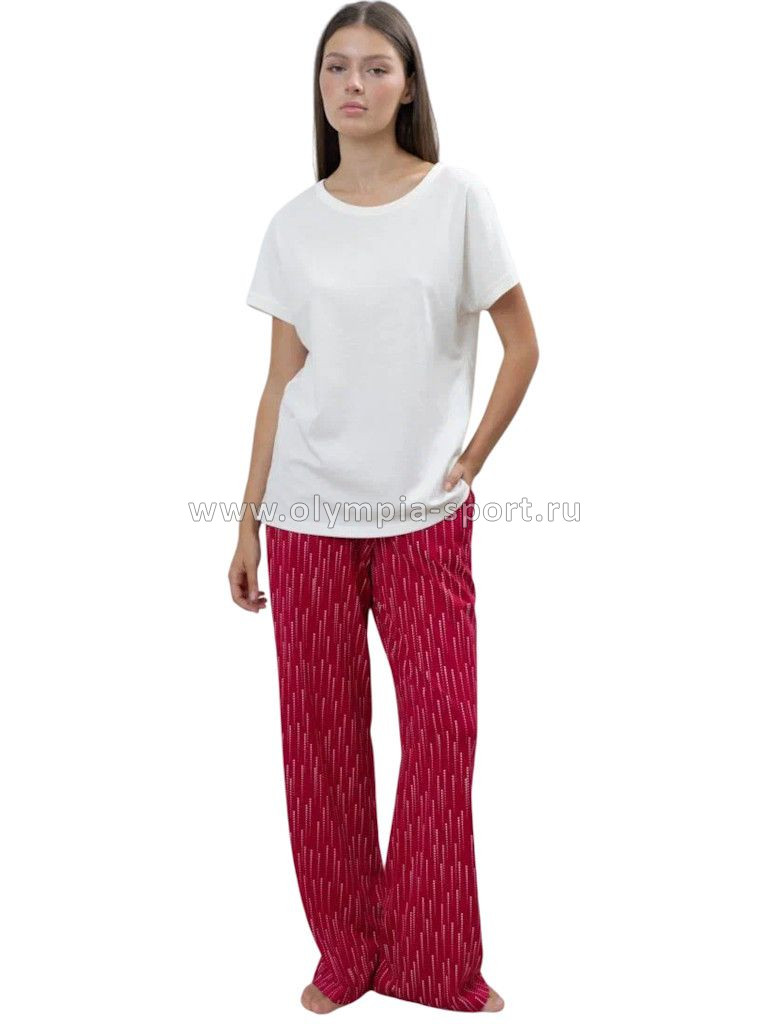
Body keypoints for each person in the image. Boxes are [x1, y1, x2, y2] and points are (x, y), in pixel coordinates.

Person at [229, 1, 539, 1014]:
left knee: (443, 731)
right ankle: (347, 953)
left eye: (374, 67)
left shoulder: (458, 202)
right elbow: (280, 382)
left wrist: (471, 457)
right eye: (335, 68)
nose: (352, 85)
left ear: (408, 85)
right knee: (322, 746)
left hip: (423, 517)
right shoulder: (295, 225)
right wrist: (246, 521)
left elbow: (523, 345)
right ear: (319, 87)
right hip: (307, 516)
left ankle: (435, 962)